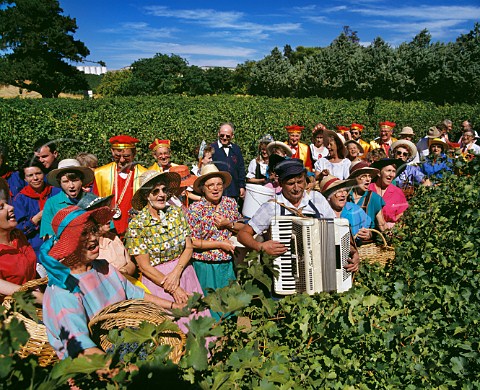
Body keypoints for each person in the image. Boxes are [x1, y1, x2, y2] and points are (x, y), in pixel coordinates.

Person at [39, 205, 185, 360]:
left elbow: (136, 294)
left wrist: (174, 306)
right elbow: (81, 349)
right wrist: (120, 370)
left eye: (94, 230)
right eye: (84, 233)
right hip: (97, 369)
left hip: (124, 347)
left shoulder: (104, 267)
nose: (93, 238)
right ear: (69, 243)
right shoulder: (64, 290)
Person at [237, 158, 360, 272]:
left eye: (300, 182)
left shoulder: (317, 199)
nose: (296, 188)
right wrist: (260, 246)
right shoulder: (271, 207)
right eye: (291, 183)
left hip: (319, 267)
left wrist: (352, 250)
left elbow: (337, 227)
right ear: (280, 183)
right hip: (285, 270)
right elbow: (243, 234)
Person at [125, 170, 210, 328]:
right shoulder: (137, 225)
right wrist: (174, 288)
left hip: (184, 272)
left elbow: (188, 246)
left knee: (198, 325)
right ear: (146, 196)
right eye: (155, 191)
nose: (161, 195)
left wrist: (177, 273)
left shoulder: (176, 213)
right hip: (159, 283)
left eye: (164, 190)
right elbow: (144, 266)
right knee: (173, 329)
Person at [186, 165, 243, 319]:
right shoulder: (195, 209)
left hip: (227, 263)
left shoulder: (229, 203)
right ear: (202, 189)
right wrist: (219, 244)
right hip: (205, 265)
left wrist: (228, 224)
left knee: (229, 305)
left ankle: (229, 337)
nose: (215, 188)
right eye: (210, 185)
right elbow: (193, 241)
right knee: (209, 307)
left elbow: (242, 228)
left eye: (219, 184)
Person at [93, 135, 148, 237]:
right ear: (112, 152)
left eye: (126, 156)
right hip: (108, 231)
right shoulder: (101, 174)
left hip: (136, 231)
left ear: (134, 154)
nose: (122, 160)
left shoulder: (144, 175)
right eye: (117, 156)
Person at [12, 159, 61, 257]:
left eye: (38, 173)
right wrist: (37, 218)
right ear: (25, 179)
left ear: (44, 174)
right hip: (36, 252)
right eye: (30, 175)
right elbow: (19, 230)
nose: (35, 178)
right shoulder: (20, 199)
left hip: (61, 246)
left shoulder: (57, 192)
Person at [40, 159, 97, 240]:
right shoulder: (52, 203)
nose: (71, 185)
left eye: (75, 180)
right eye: (65, 181)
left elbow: (104, 227)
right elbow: (47, 235)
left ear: (82, 181)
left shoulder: (92, 199)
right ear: (60, 183)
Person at [0, 177, 38, 299]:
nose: (10, 208)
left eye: (7, 203)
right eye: (1, 207)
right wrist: (43, 299)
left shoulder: (18, 236)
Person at [318, 174, 372, 242]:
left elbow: (370, 229)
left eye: (345, 191)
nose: (343, 195)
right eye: (339, 192)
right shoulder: (321, 213)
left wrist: (369, 234)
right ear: (328, 196)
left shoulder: (355, 209)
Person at [210, 122, 246, 200]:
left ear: (232, 136)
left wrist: (242, 186)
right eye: (222, 135)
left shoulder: (236, 149)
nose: (224, 138)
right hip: (216, 191)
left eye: (228, 136)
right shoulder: (212, 148)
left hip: (233, 190)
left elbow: (241, 168)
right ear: (218, 134)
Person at [347, 161, 387, 231]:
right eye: (364, 176)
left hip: (367, 240)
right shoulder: (346, 196)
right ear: (354, 178)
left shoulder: (374, 198)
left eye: (369, 176)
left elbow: (382, 224)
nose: (368, 179)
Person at [369, 159, 409, 229]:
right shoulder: (369, 189)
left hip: (389, 232)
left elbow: (401, 215)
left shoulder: (397, 192)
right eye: (388, 171)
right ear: (379, 173)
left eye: (393, 171)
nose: (391, 175)